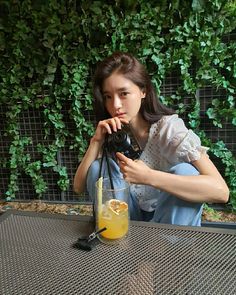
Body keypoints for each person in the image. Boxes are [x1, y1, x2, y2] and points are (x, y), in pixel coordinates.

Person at [73, 52, 229, 226]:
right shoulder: (115, 134)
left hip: (170, 223)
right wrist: (96, 141)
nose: (115, 105)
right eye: (108, 96)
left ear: (143, 91)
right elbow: (78, 187)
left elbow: (221, 191)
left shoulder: (169, 129)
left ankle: (165, 248)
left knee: (186, 171)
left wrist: (148, 176)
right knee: (98, 168)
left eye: (123, 93)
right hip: (130, 220)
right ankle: (119, 240)